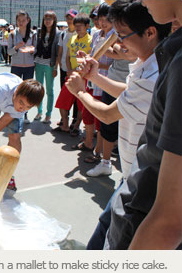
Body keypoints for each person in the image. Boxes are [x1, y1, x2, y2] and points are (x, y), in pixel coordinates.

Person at [66, 0, 172, 249]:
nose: (118, 43)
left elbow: (108, 114)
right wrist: (94, 77)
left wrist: (81, 92)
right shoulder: (147, 63)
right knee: (106, 224)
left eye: (123, 35)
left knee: (115, 240)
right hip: (131, 170)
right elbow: (127, 91)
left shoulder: (153, 74)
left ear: (150, 32)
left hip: (142, 178)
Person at [0, 72, 44, 192]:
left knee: (15, 136)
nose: (22, 108)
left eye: (28, 107)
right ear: (16, 92)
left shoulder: (23, 106)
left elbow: (6, 118)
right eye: (21, 103)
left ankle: (8, 173)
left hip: (7, 101)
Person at [74, 3, 116, 177]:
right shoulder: (97, 34)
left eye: (107, 19)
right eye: (100, 19)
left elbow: (115, 60)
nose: (103, 23)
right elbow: (95, 55)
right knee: (89, 114)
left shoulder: (116, 37)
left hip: (107, 80)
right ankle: (92, 145)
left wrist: (96, 64)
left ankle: (99, 153)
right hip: (94, 81)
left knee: (104, 120)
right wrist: (88, 58)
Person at [8, 10, 36, 124]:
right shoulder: (12, 34)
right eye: (19, 20)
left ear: (28, 20)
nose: (21, 22)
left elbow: (36, 49)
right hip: (16, 65)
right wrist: (16, 47)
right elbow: (9, 52)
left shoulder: (33, 34)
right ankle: (12, 113)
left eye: (23, 20)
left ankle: (24, 114)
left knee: (27, 91)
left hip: (29, 65)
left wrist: (32, 51)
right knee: (15, 90)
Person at [53, 9, 79, 133]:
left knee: (76, 96)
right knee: (64, 96)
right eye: (68, 18)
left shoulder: (80, 34)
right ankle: (64, 120)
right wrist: (56, 67)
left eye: (72, 18)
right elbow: (60, 52)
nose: (70, 21)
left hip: (76, 70)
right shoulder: (63, 34)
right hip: (64, 69)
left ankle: (75, 121)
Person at [34, 10, 60, 124]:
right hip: (38, 63)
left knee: (49, 90)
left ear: (54, 20)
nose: (47, 21)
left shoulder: (58, 33)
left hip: (50, 64)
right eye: (46, 19)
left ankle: (48, 114)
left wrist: (55, 68)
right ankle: (39, 111)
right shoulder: (39, 32)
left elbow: (58, 52)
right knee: (38, 89)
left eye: (50, 19)